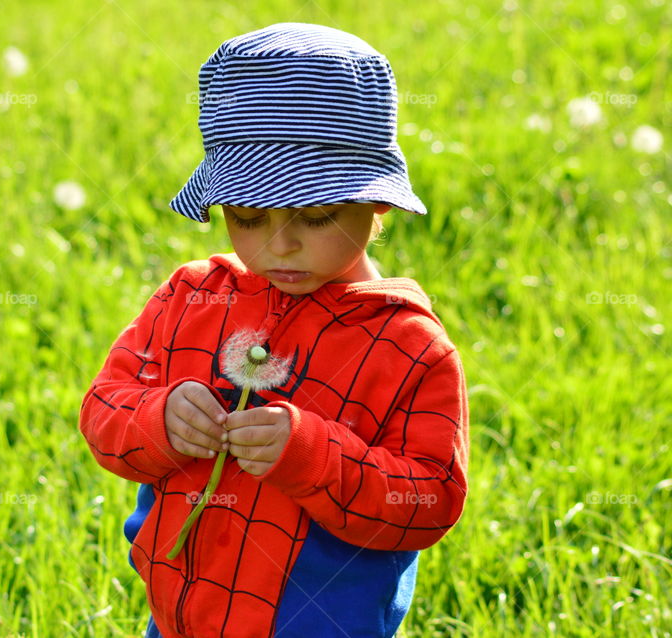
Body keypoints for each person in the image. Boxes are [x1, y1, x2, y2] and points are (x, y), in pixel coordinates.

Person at [79, 22, 469, 638]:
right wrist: (160, 417)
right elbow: (104, 414)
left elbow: (430, 501)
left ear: (379, 202)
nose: (279, 246)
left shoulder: (406, 345)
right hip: (178, 612)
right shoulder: (192, 296)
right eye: (247, 216)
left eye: (316, 217)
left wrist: (312, 453)